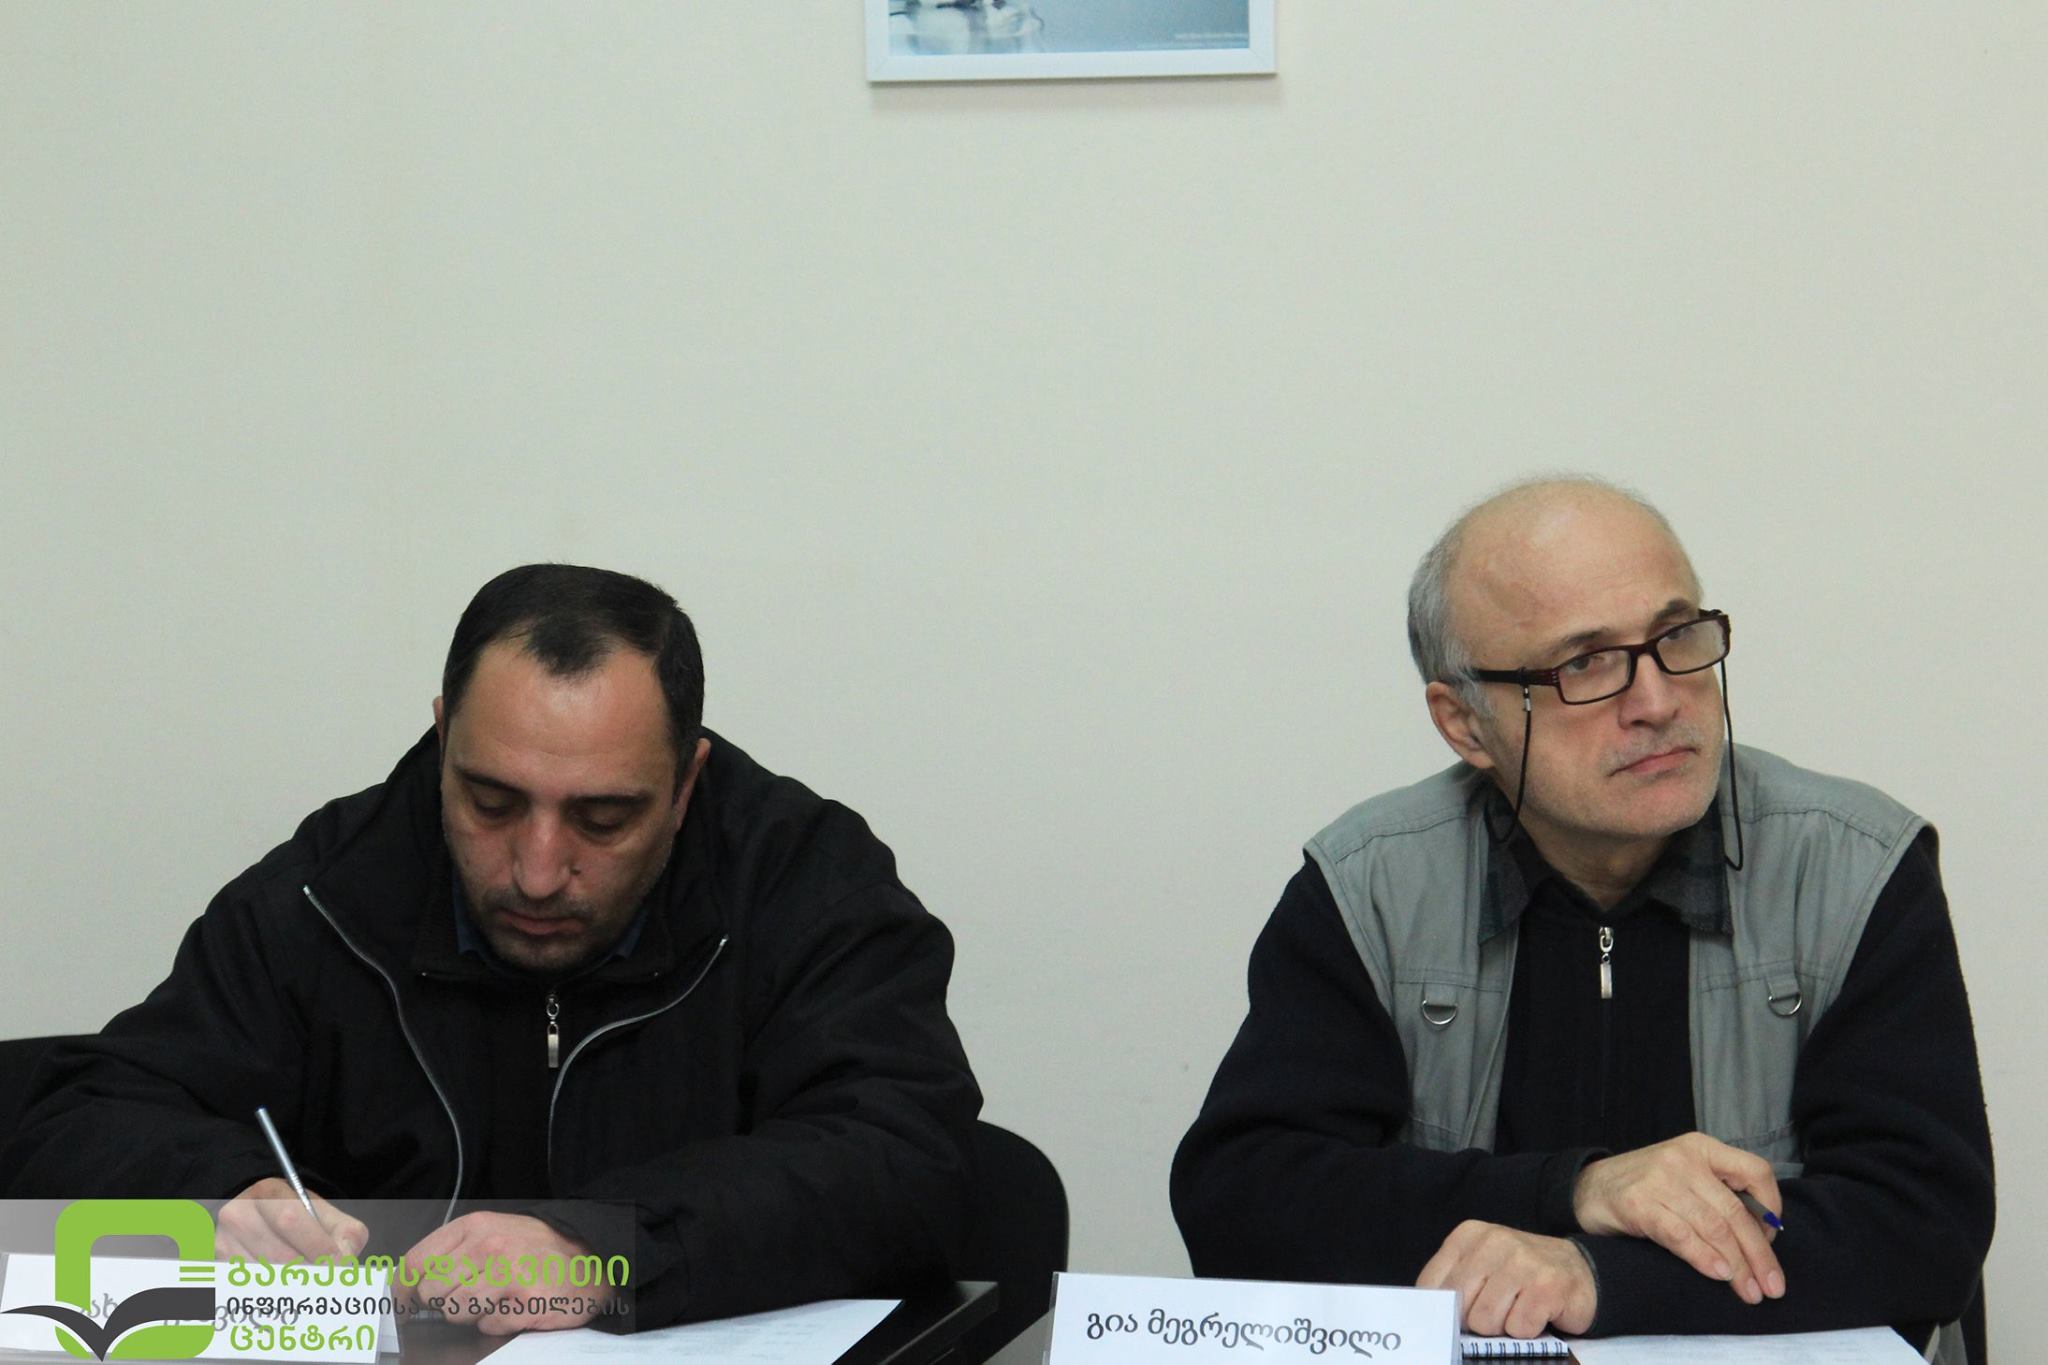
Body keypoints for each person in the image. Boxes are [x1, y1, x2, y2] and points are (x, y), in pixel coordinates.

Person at [4, 564, 983, 1335]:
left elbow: (906, 1159)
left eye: (603, 818)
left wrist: (602, 1250)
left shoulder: (802, 883)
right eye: (491, 802)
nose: (538, 870)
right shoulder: (332, 890)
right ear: (442, 741)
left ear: (686, 783)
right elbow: (79, 1115)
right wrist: (221, 1194)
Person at [1171, 479, 1994, 1358]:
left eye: (1678, 637)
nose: (1658, 700)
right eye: (1586, 664)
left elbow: (1922, 1223)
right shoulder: (1370, 884)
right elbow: (1242, 1202)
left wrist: (1595, 1275)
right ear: (1465, 723)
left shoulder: (1853, 865)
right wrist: (1572, 1191)